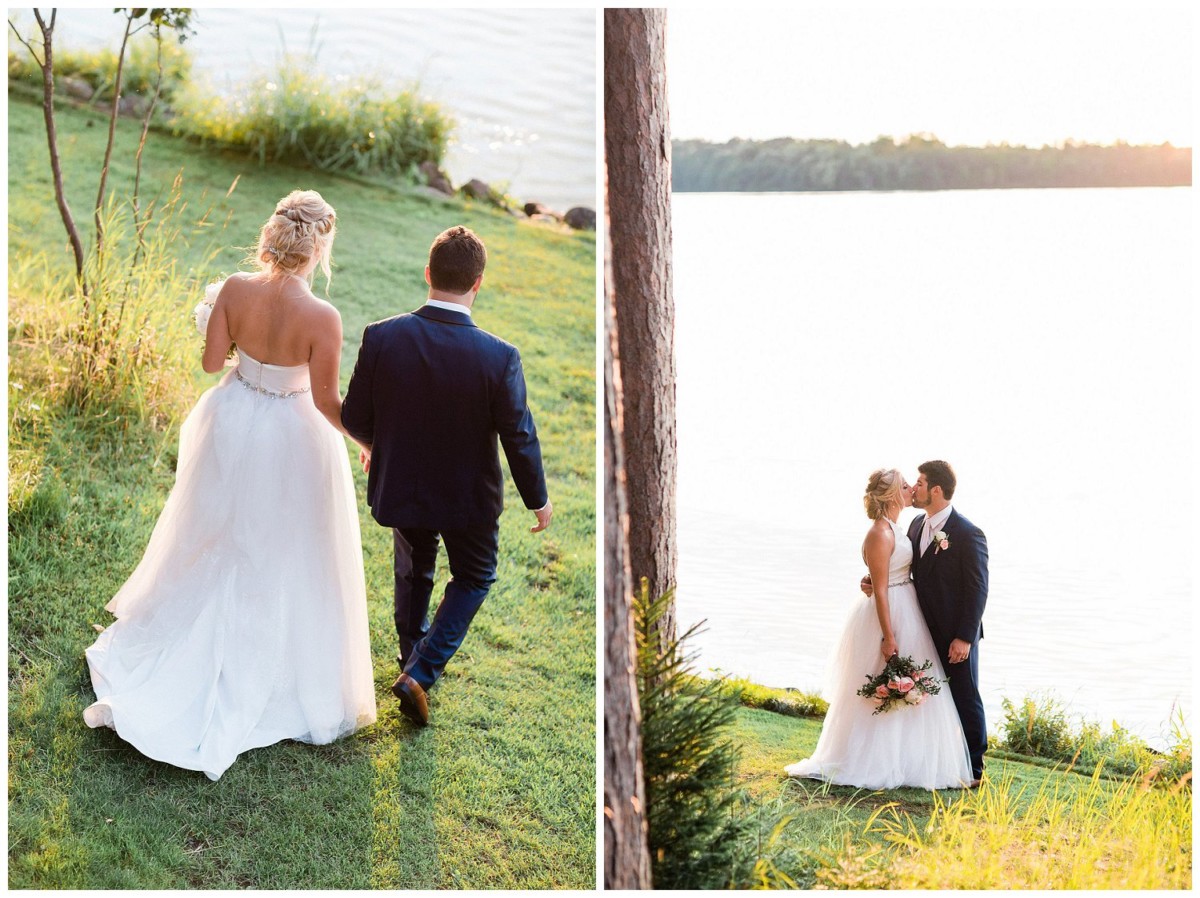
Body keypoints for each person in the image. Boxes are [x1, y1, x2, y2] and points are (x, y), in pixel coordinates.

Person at [83, 190, 377, 781]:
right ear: (318, 245)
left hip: (233, 418)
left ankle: (192, 635)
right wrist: (365, 439)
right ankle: (270, 662)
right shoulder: (323, 318)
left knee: (215, 532)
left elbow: (211, 363)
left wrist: (226, 332)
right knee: (279, 549)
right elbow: (324, 401)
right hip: (292, 435)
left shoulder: (234, 289)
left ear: (274, 234)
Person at [341, 225, 551, 728]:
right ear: (478, 283)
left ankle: (411, 658)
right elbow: (518, 436)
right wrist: (537, 500)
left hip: (405, 485)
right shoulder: (500, 356)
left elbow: (354, 416)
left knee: (415, 566)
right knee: (475, 575)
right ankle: (421, 671)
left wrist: (375, 445)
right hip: (468, 498)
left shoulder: (381, 335)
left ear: (428, 273)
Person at [784, 468, 971, 790]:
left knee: (914, 685)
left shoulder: (902, 528)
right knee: (881, 682)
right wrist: (889, 635)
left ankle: (907, 760)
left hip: (908, 608)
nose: (912, 487)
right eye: (905, 485)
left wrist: (874, 581)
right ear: (893, 495)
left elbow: (891, 574)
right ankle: (867, 760)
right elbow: (881, 589)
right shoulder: (880, 533)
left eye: (915, 483)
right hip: (890, 614)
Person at [904, 460, 990, 785]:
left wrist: (965, 637)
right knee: (923, 695)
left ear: (936, 490)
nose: (915, 488)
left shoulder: (968, 534)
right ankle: (928, 759)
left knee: (965, 696)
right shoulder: (915, 524)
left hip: (956, 636)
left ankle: (975, 771)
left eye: (920, 483)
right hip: (922, 631)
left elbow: (978, 589)